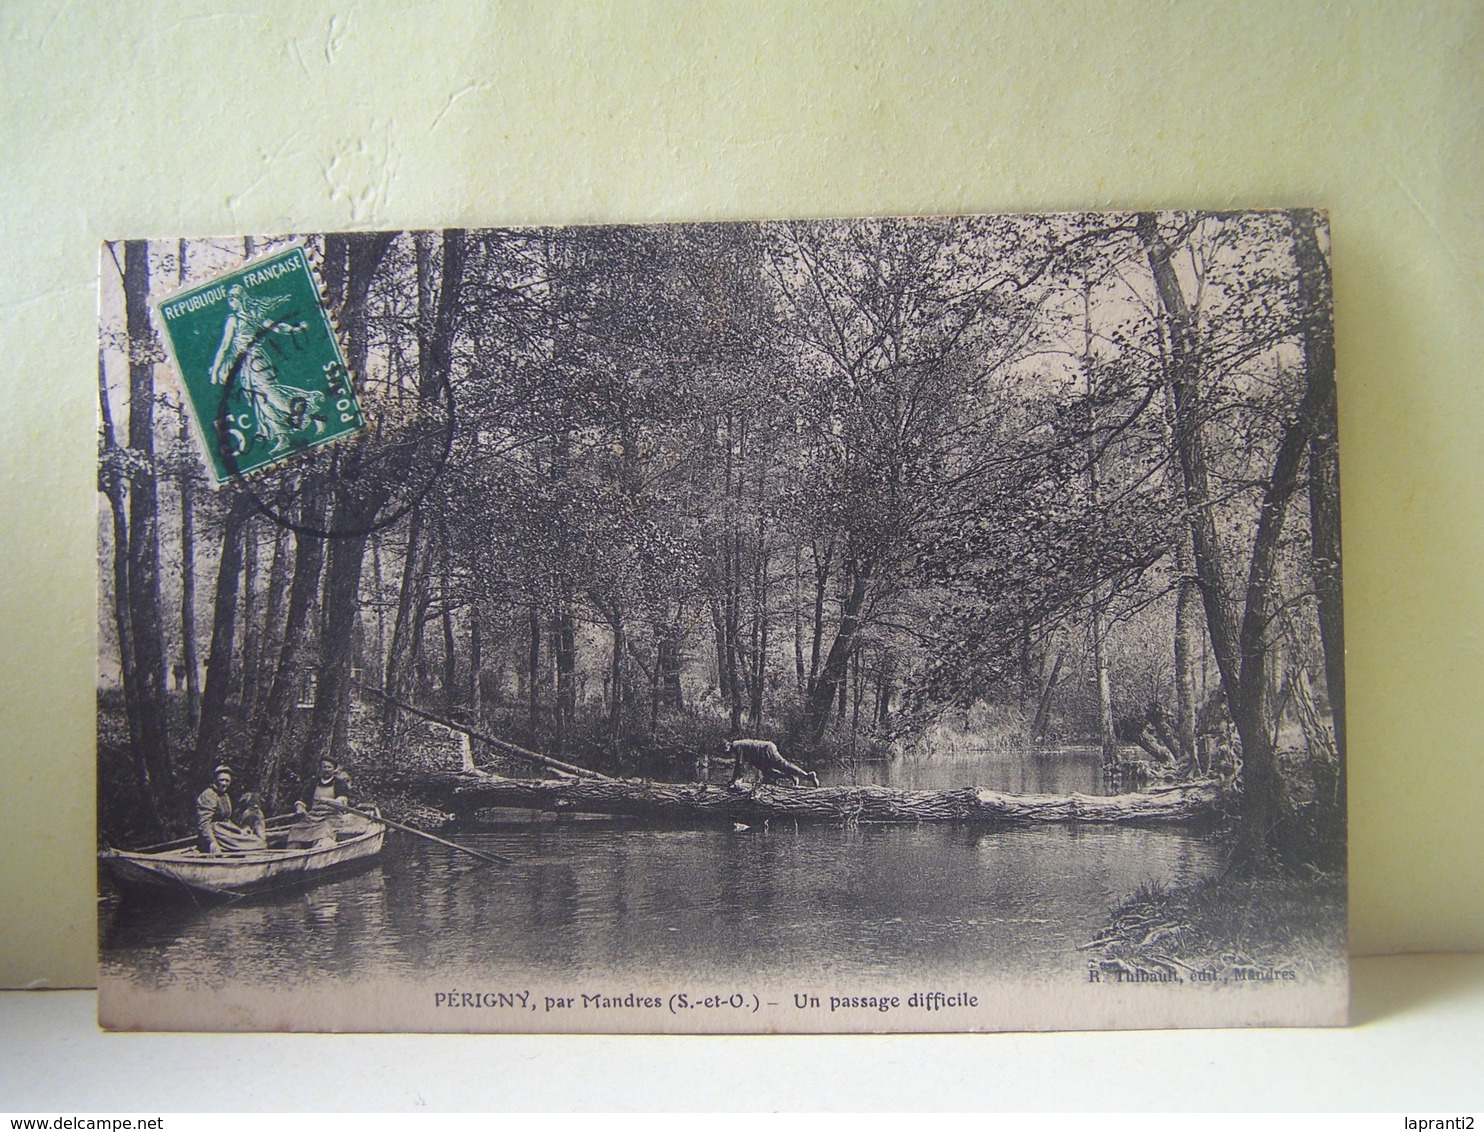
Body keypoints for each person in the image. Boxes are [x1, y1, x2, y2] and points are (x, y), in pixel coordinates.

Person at [209, 283, 323, 458]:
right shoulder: (241, 317)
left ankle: (310, 410)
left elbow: (275, 327)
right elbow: (226, 346)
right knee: (260, 402)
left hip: (256, 360)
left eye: (234, 297)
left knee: (271, 394)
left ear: (242, 299)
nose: (230, 301)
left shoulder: (241, 318)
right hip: (246, 365)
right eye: (229, 298)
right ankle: (281, 435)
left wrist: (294, 329)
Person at [195, 765, 267, 854]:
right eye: (221, 780)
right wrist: (211, 842)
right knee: (258, 844)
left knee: (257, 840)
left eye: (227, 780)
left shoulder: (225, 795)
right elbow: (204, 822)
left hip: (224, 831)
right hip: (215, 834)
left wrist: (239, 830)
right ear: (215, 780)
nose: (224, 783)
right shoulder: (209, 795)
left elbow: (226, 820)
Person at [725, 738, 820, 789]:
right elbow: (744, 765)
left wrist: (733, 780)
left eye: (726, 750)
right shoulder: (739, 746)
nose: (728, 753)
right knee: (768, 773)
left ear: (728, 746)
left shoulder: (737, 745)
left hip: (766, 750)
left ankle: (808, 776)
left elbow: (739, 764)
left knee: (783, 765)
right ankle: (790, 777)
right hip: (761, 754)